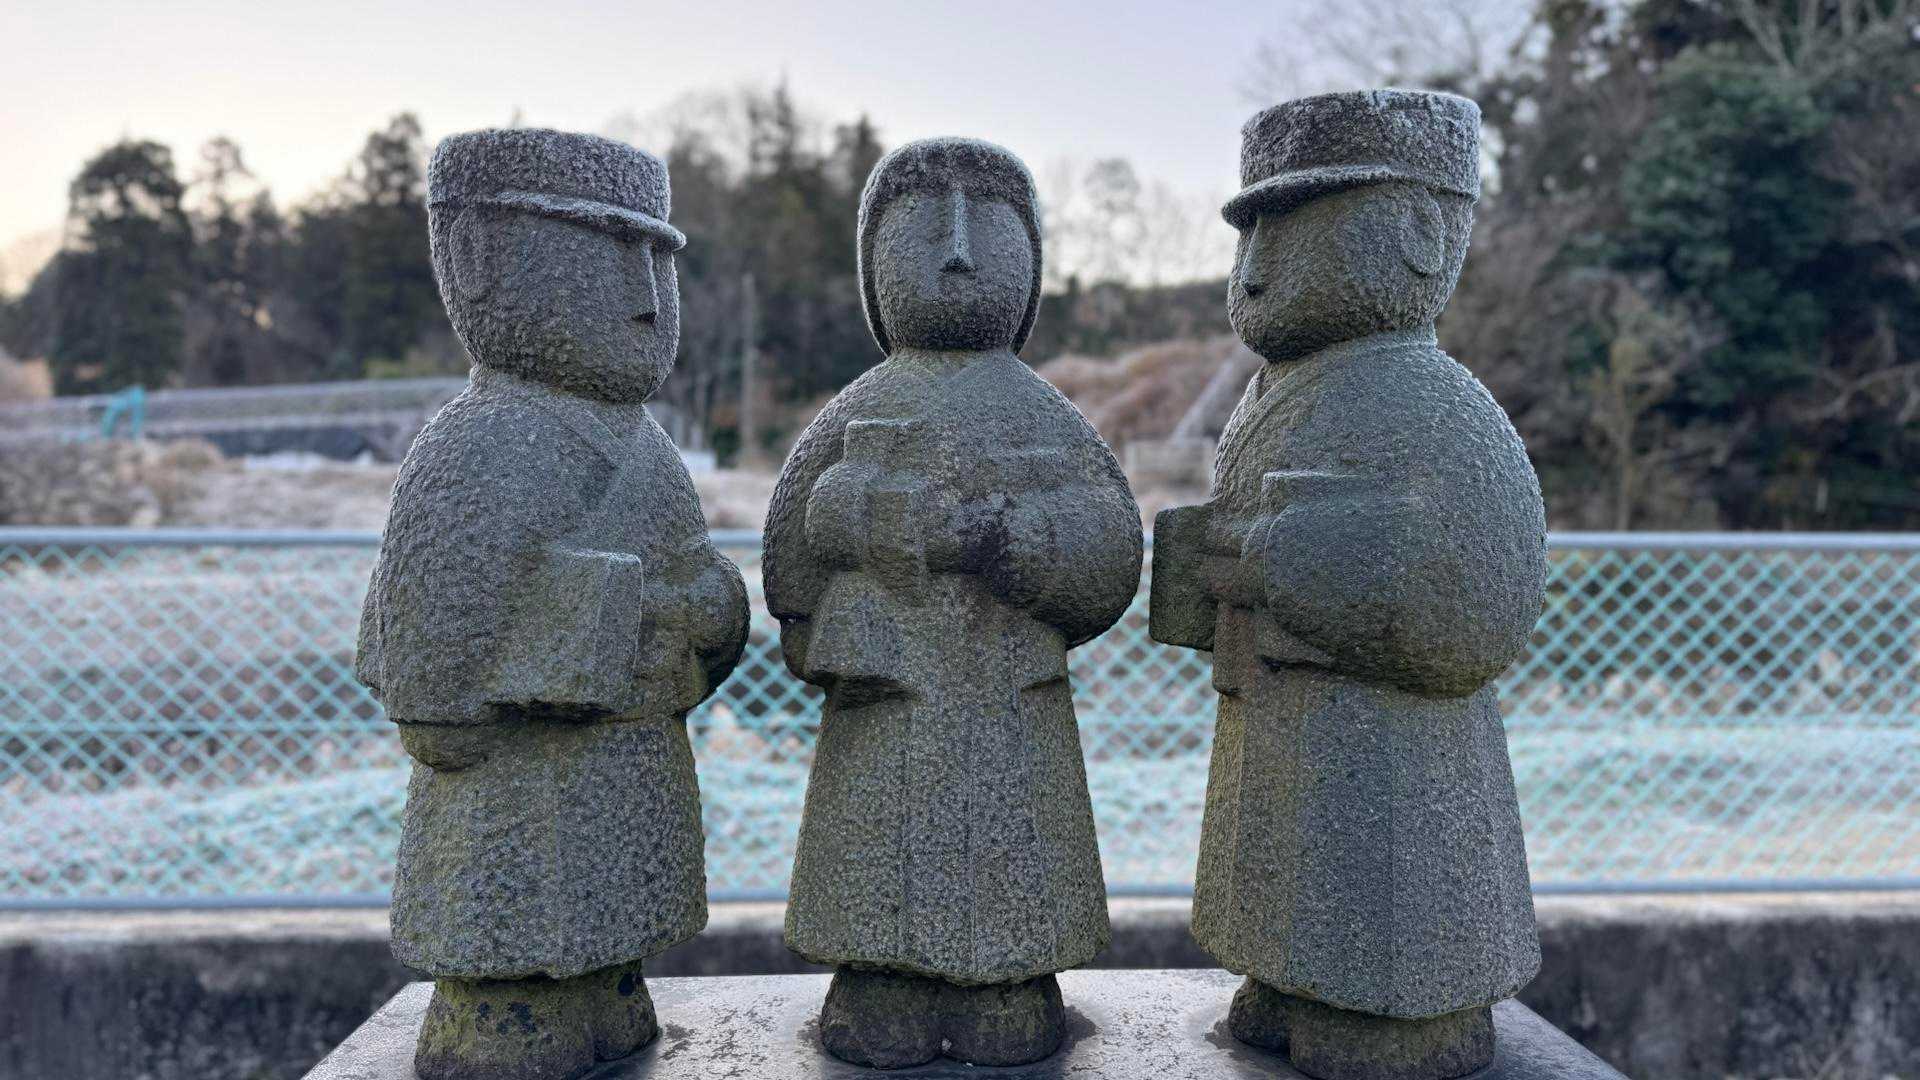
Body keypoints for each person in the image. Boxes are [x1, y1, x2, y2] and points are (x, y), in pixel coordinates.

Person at [1150, 90, 1548, 1080]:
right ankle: (1286, 973)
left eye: (1289, 231)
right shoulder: (1269, 397)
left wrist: (1284, 557)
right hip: (1274, 718)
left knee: (1385, 906)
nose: (1255, 267)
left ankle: (1396, 1011)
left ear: (1419, 233)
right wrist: (1207, 570)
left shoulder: (1440, 406)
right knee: (1286, 864)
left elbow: (1480, 604)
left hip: (1400, 754)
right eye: (1248, 236)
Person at [356, 128, 748, 1080]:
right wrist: (578, 632)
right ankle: (498, 1009)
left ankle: (611, 983)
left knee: (616, 967)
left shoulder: (651, 448)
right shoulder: (471, 446)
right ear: (479, 259)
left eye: (659, 263)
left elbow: (703, 583)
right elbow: (429, 693)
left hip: (632, 771)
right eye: (610, 255)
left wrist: (709, 612)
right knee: (510, 1013)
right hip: (511, 808)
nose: (647, 299)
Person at [763, 137, 1142, 1069]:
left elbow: (1113, 541)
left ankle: (1011, 986)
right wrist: (815, 612)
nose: (961, 254)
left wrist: (1014, 538)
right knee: (877, 851)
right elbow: (788, 554)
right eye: (925, 231)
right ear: (873, 270)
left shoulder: (1042, 409)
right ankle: (877, 983)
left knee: (1012, 856)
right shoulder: (857, 406)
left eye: (993, 233)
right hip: (883, 695)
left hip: (1010, 693)